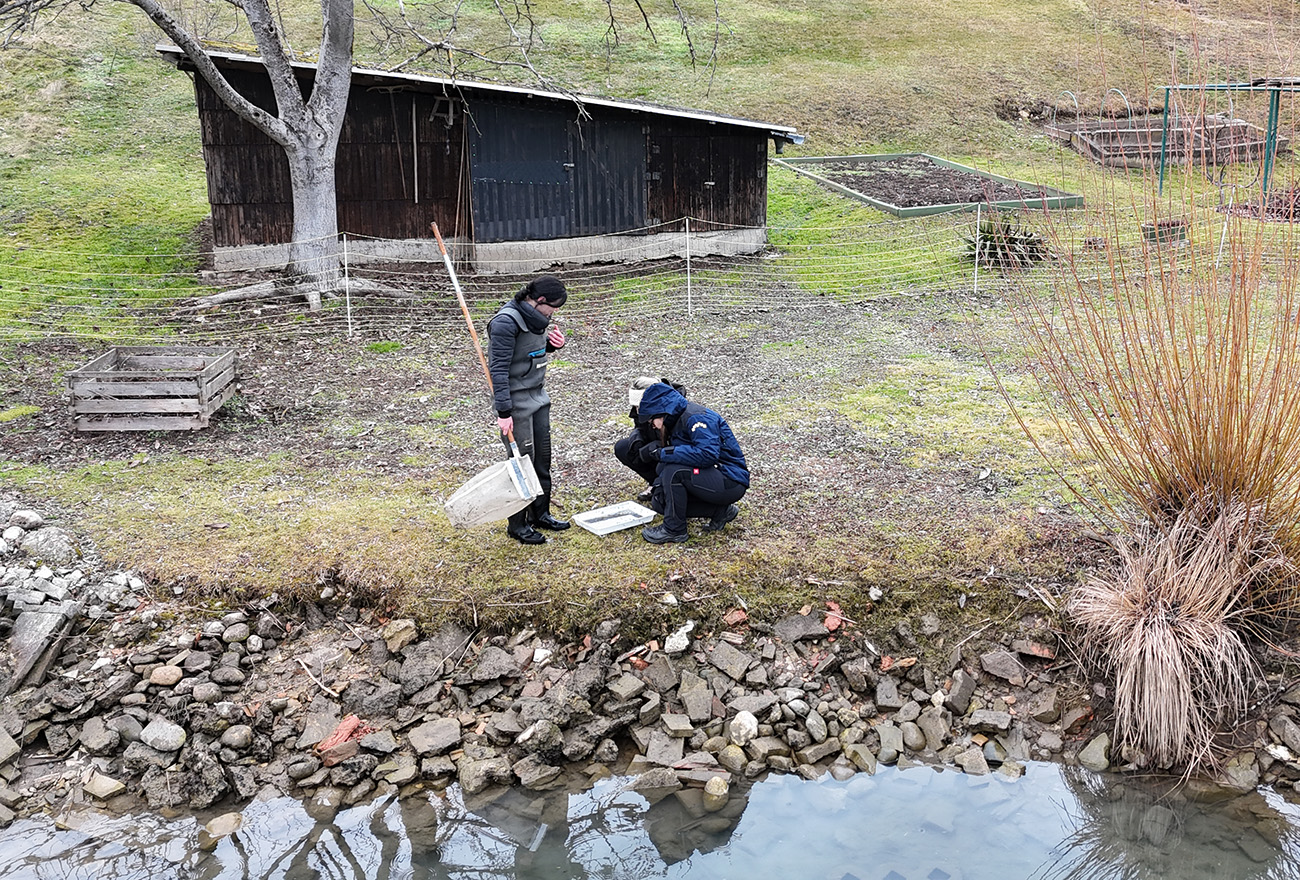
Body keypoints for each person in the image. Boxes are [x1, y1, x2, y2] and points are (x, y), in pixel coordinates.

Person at [488, 275, 571, 545]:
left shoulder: (537, 318)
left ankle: (540, 513)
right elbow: (498, 370)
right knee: (521, 464)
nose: (554, 314)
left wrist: (551, 346)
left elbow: (529, 352)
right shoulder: (505, 322)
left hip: (538, 396)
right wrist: (503, 412)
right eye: (553, 308)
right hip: (515, 403)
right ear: (540, 300)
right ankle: (517, 525)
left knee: (541, 460)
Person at [633, 382, 749, 544]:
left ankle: (674, 530)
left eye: (652, 420)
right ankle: (721, 512)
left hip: (729, 480)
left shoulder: (696, 418)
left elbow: (707, 454)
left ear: (661, 412)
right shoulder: (676, 420)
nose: (652, 425)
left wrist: (662, 452)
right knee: (660, 502)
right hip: (712, 476)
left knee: (674, 472)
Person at [614, 376, 687, 503]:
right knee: (624, 448)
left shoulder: (678, 408)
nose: (637, 410)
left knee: (661, 504)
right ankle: (654, 482)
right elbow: (640, 427)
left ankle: (669, 485)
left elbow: (685, 447)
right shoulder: (640, 407)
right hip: (655, 448)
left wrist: (658, 447)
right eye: (635, 406)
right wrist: (636, 439)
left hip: (676, 455)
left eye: (640, 406)